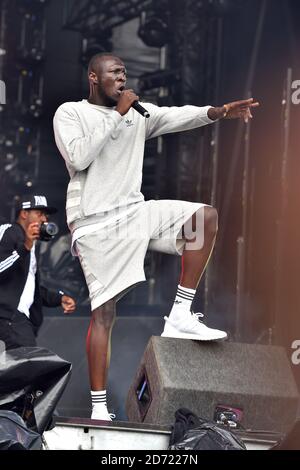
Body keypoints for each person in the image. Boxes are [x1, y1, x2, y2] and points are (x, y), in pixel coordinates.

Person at [53, 53, 259, 421]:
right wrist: (117, 115)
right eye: (114, 72)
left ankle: (181, 311)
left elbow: (175, 115)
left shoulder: (138, 114)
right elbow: (79, 157)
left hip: (135, 212)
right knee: (104, 314)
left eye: (124, 72)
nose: (122, 77)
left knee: (203, 217)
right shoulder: (70, 113)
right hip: (96, 223)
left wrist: (218, 111)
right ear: (93, 77)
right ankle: (100, 409)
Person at [0, 195, 76, 351]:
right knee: (27, 369)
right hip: (8, 317)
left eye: (46, 215)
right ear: (24, 214)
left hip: (17, 320)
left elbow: (29, 288)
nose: (44, 219)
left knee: (19, 371)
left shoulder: (30, 244)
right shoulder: (8, 232)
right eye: (39, 213)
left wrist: (59, 298)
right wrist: (25, 247)